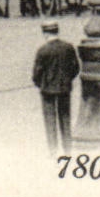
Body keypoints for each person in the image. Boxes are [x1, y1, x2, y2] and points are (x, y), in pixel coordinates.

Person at [31, 21, 80, 153]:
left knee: (49, 118)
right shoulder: (68, 47)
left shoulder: (43, 50)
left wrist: (39, 83)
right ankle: (67, 148)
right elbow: (75, 68)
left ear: (45, 33)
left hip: (47, 89)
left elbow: (37, 73)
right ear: (57, 31)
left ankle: (53, 149)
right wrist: (68, 79)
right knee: (65, 117)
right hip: (64, 88)